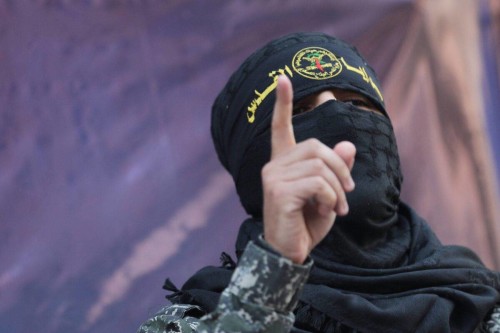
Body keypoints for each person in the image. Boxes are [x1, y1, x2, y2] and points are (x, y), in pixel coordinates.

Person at [138, 32, 500, 332]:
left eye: (357, 103)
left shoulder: (480, 304)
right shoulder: (190, 323)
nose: (338, 118)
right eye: (300, 111)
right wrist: (273, 273)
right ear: (255, 171)